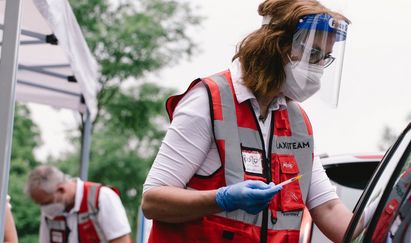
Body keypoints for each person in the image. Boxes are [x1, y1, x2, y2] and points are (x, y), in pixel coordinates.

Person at [142, 0, 360, 242]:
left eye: (325, 57)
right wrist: (221, 198)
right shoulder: (210, 102)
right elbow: (152, 202)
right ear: (277, 45)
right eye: (313, 53)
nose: (319, 67)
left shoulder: (296, 123)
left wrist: (396, 196)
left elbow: (333, 215)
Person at [26, 165, 131, 243]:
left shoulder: (102, 197)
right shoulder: (51, 211)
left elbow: (121, 241)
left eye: (46, 203)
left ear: (61, 189)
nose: (44, 209)